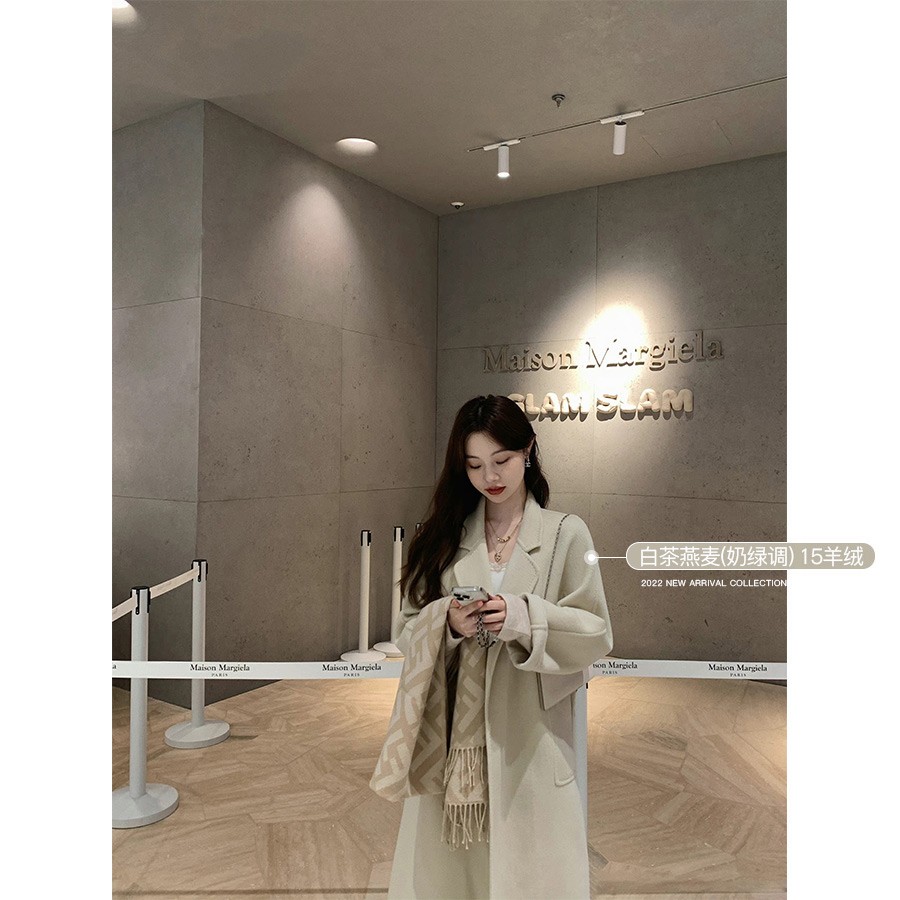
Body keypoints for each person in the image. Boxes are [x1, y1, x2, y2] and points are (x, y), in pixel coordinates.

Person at [371, 394, 613, 900]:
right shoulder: (443, 535)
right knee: (449, 877)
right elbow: (407, 628)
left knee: (532, 874)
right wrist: (448, 624)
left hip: (532, 735)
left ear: (528, 450)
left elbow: (596, 632)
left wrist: (525, 617)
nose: (490, 477)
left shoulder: (566, 534)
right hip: (452, 737)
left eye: (501, 460)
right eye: (474, 465)